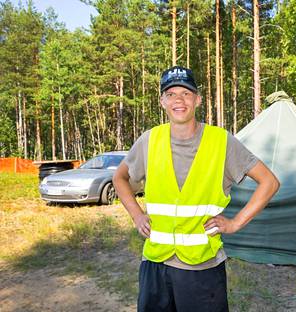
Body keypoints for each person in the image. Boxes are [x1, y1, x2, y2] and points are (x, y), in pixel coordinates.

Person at [113, 65, 280, 312]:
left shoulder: (221, 141)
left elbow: (270, 182)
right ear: (162, 101)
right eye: (171, 94)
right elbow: (119, 178)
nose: (178, 100)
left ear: (198, 99)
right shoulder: (150, 139)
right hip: (155, 264)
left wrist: (235, 223)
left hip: (202, 269)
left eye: (186, 93)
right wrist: (137, 215)